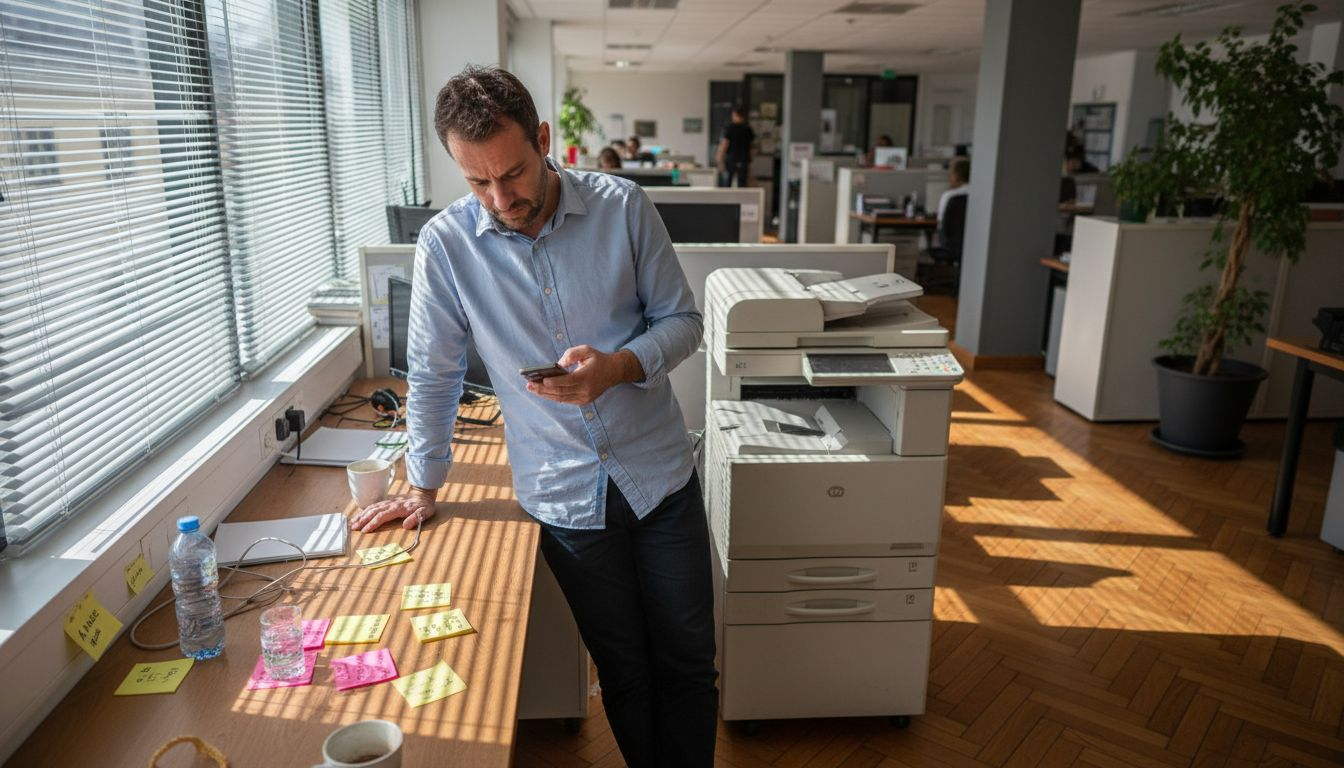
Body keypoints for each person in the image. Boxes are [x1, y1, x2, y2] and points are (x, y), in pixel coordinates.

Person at [349, 66, 718, 768]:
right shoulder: (447, 246)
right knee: (626, 672)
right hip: (564, 495)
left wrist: (618, 367)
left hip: (660, 476)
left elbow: (683, 322)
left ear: (544, 140)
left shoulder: (623, 206)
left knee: (689, 663)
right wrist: (422, 487)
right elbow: (433, 373)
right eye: (477, 183)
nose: (499, 198)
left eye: (513, 174)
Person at [715, 106, 753, 187]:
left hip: (731, 159)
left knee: (727, 183)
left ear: (735, 115)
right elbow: (752, 146)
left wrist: (719, 159)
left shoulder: (730, 128)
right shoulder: (748, 129)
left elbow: (724, 144)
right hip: (744, 160)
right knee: (742, 184)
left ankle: (727, 199)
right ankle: (741, 199)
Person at [936, 155, 970, 228]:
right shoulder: (979, 194)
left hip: (951, 239)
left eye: (951, 173)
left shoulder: (949, 196)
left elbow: (940, 224)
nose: (949, 176)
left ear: (956, 175)